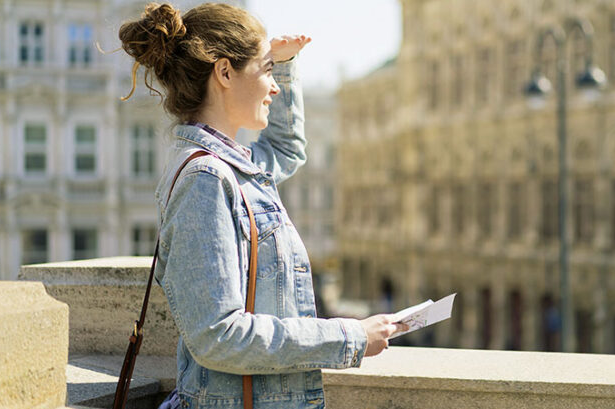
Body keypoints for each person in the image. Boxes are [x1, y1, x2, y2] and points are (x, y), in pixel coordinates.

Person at [117, 3, 408, 408]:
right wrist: (350, 337)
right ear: (223, 73)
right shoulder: (206, 180)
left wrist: (285, 64)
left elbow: (287, 149)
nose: (275, 88)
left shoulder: (230, 166)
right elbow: (218, 336)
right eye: (267, 71)